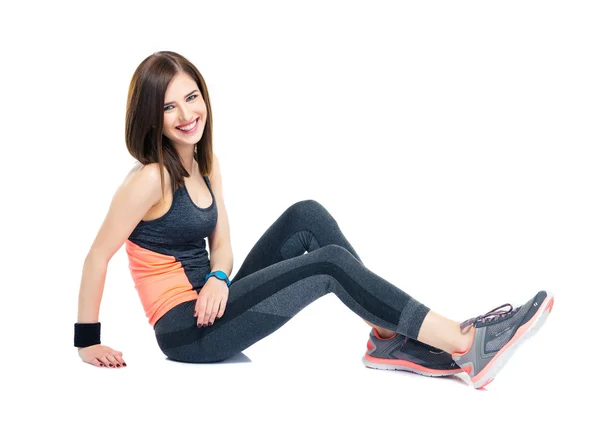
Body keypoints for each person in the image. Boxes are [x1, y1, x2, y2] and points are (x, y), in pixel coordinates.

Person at [75, 51, 554, 389]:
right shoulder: (149, 180)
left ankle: (389, 339)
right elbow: (97, 256)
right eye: (169, 105)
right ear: (150, 116)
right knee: (326, 266)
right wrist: (86, 343)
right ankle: (464, 344)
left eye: (192, 96)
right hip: (187, 330)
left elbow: (221, 246)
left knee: (307, 216)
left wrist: (220, 276)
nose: (186, 113)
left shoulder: (206, 162)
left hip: (213, 302)